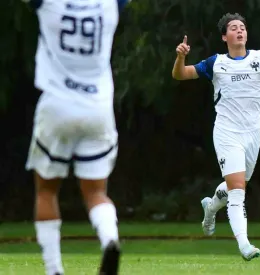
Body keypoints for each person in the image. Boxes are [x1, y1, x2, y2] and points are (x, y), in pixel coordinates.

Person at [171, 12, 260, 260]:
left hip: (253, 132)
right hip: (226, 132)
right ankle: (244, 245)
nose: (239, 31)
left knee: (238, 185)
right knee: (237, 191)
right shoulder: (216, 63)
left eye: (242, 27)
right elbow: (180, 74)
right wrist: (180, 58)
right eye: (233, 28)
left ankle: (210, 207)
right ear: (225, 36)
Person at [23, 0, 131, 274]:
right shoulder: (110, 5)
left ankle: (54, 269)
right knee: (96, 192)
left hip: (56, 104)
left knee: (46, 189)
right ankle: (109, 239)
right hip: (97, 107)